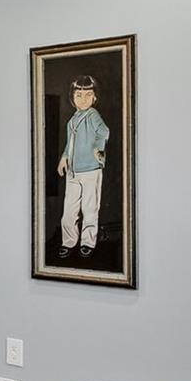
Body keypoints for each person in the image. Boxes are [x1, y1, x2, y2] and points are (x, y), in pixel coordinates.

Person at [56, 75, 109, 258]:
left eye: (88, 95)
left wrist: (98, 149)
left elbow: (104, 132)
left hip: (90, 170)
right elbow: (70, 143)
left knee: (89, 208)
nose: (83, 99)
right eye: (79, 95)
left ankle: (87, 242)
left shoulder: (92, 115)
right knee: (69, 210)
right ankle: (68, 241)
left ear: (94, 97)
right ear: (72, 98)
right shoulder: (73, 119)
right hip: (73, 171)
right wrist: (64, 158)